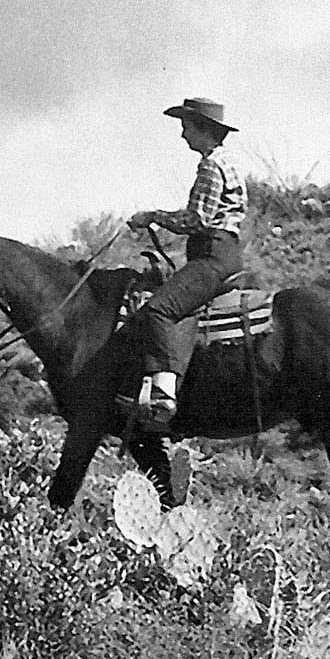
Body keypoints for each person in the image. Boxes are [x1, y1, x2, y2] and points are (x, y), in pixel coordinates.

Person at [120, 95, 247, 432]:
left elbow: (197, 220)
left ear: (203, 129)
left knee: (158, 309)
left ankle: (164, 394)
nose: (182, 135)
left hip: (212, 255)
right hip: (224, 251)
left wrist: (152, 217)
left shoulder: (210, 165)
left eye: (185, 126)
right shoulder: (228, 161)